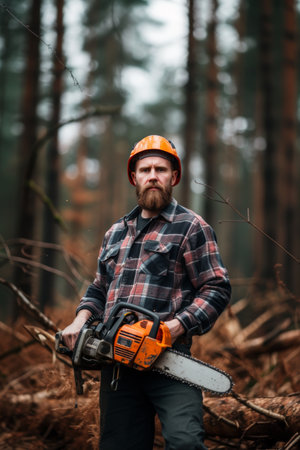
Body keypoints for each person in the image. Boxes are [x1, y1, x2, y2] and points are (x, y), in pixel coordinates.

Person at [62, 135, 231, 450]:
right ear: (134, 177)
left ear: (174, 177)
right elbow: (100, 287)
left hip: (170, 361)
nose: (153, 175)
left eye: (161, 169)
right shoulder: (115, 232)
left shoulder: (191, 227)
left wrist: (171, 329)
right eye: (145, 169)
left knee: (185, 443)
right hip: (118, 369)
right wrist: (80, 320)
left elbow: (216, 287)